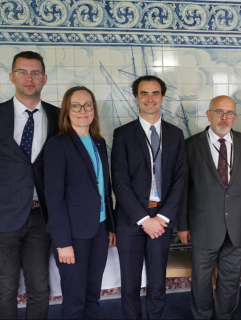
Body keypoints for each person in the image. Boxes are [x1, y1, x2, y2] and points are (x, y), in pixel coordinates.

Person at [111, 75, 187, 319]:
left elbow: (180, 179)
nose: (150, 98)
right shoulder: (122, 134)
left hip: (162, 220)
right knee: (130, 286)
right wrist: (144, 219)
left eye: (155, 93)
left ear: (162, 98)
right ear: (136, 98)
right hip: (131, 220)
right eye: (144, 93)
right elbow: (119, 183)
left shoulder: (176, 134)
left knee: (157, 283)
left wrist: (162, 217)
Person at [178, 95, 241, 319]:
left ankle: (225, 316)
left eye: (230, 113)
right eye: (219, 112)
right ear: (208, 114)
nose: (224, 118)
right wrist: (182, 225)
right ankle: (202, 315)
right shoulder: (190, 145)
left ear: (235, 117)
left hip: (237, 225)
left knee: (231, 278)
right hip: (203, 226)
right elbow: (183, 189)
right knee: (202, 279)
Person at [44, 86, 116, 319]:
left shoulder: (98, 142)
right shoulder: (59, 144)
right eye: (75, 105)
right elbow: (54, 198)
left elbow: (105, 189)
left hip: (100, 228)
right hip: (73, 234)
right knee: (75, 298)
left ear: (94, 109)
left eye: (87, 105)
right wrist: (62, 242)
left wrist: (110, 227)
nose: (82, 110)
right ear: (67, 110)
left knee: (92, 294)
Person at [0, 51, 58, 319]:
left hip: (41, 217)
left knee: (39, 287)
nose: (29, 78)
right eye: (22, 72)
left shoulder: (59, 117)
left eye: (35, 72)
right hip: (4, 217)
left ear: (44, 79)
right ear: (12, 76)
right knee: (5, 288)